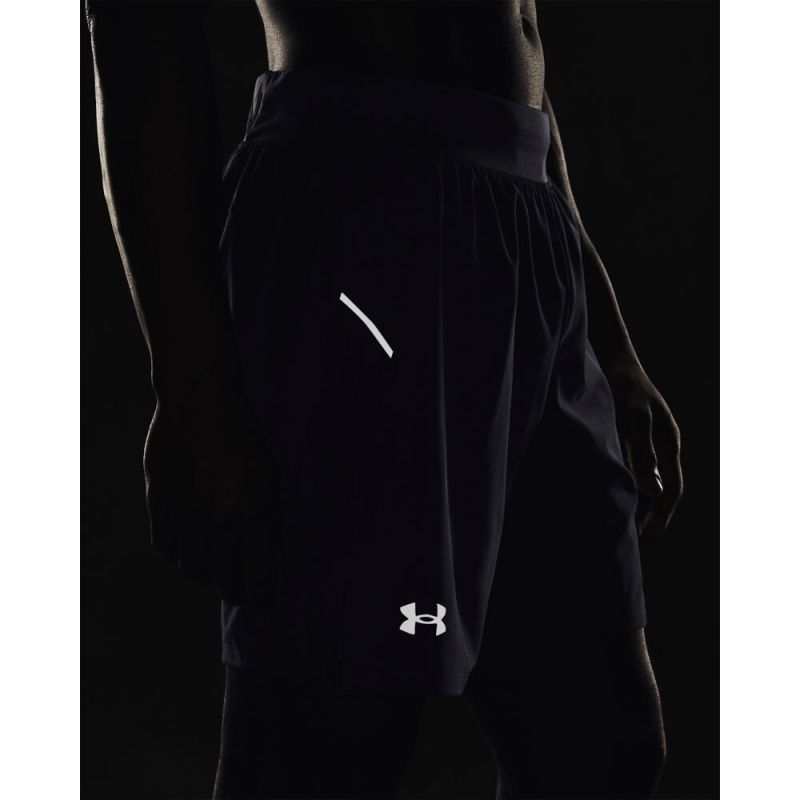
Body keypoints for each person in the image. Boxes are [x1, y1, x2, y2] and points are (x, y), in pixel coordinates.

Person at [86, 1, 683, 797]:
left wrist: (608, 340)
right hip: (356, 206)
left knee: (601, 744)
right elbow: (137, 25)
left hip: (528, 225)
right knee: (328, 739)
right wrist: (190, 385)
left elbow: (517, 54)